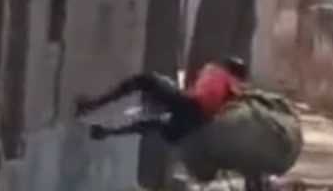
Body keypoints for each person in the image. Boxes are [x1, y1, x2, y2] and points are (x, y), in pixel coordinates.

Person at [76, 57, 249, 144]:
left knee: (144, 81)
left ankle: (93, 105)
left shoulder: (221, 75)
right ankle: (107, 132)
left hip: (191, 107)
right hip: (193, 126)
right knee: (155, 123)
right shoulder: (231, 85)